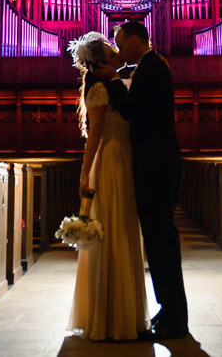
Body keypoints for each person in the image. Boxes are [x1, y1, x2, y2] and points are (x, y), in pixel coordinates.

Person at [98, 21, 189, 340]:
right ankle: (168, 311)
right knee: (158, 242)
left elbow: (134, 111)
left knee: (161, 244)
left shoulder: (152, 68)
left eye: (121, 43)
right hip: (157, 165)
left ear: (136, 40)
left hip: (156, 167)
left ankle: (174, 319)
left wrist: (111, 83)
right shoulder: (150, 65)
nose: (119, 49)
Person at [66, 31, 149, 341]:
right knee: (114, 230)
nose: (118, 55)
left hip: (123, 159)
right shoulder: (100, 89)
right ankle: (111, 316)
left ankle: (122, 312)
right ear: (101, 63)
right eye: (113, 53)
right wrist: (85, 175)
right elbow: (95, 135)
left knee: (124, 230)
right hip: (112, 161)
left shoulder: (113, 83)